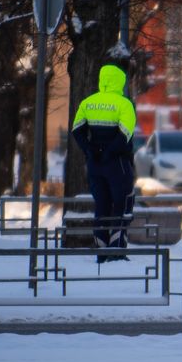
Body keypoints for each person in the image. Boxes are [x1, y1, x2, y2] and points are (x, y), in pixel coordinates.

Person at [71, 63, 137, 263]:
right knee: (123, 203)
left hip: (95, 164)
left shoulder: (88, 103)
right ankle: (116, 251)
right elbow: (125, 133)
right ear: (120, 81)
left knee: (101, 205)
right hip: (117, 163)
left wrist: (90, 150)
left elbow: (77, 130)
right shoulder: (124, 104)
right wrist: (108, 152)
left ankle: (100, 251)